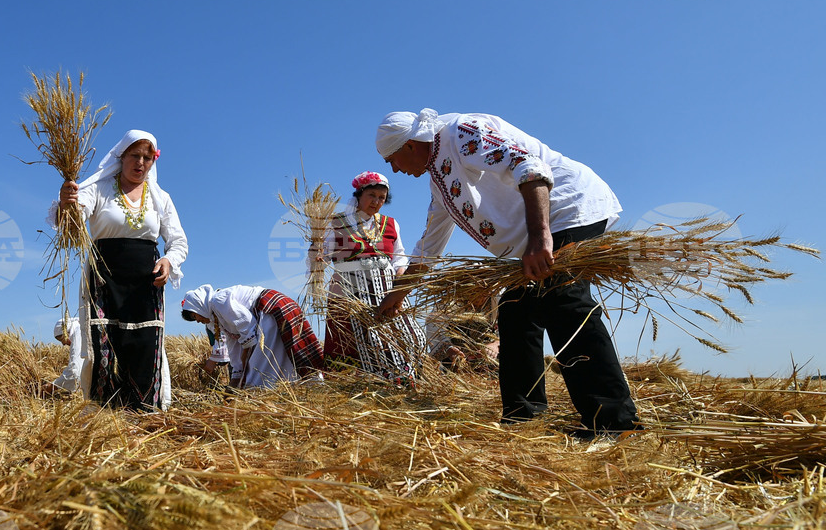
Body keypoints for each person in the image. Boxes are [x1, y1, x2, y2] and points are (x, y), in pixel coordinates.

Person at [374, 109, 639, 434]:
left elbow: (529, 167)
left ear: (410, 145)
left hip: (566, 209)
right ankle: (524, 419)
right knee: (515, 311)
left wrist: (540, 236)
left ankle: (613, 421)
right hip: (538, 232)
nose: (395, 169)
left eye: (392, 160)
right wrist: (398, 294)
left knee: (564, 300)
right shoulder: (439, 184)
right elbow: (428, 247)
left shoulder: (462, 132)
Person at [54, 129, 188, 411]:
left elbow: (178, 242)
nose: (141, 163)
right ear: (121, 156)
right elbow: (72, 226)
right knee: (104, 346)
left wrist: (168, 261)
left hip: (146, 282)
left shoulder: (160, 198)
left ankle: (144, 412)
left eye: (147, 158)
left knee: (144, 344)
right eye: (135, 156)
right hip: (104, 278)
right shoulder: (98, 189)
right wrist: (66, 204)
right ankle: (104, 414)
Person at [313, 171, 427, 384]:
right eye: (372, 195)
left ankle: (399, 380)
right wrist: (317, 254)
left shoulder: (391, 224)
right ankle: (354, 387)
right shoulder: (336, 223)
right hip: (349, 291)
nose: (376, 201)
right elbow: (323, 256)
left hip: (385, 290)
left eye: (382, 198)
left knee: (406, 335)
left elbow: (399, 259)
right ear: (359, 195)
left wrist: (399, 285)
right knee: (352, 340)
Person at [181, 284, 325, 389]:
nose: (197, 320)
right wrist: (236, 377)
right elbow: (233, 347)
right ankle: (305, 387)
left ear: (199, 306)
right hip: (273, 310)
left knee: (260, 371)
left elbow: (247, 323)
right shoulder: (219, 319)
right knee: (287, 355)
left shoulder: (218, 301)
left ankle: (272, 395)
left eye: (194, 315)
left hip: (269, 310)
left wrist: (245, 354)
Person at [48, 315, 90, 397]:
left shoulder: (78, 333)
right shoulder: (83, 331)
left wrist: (52, 386)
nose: (63, 344)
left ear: (67, 333)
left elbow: (74, 371)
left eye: (61, 339)